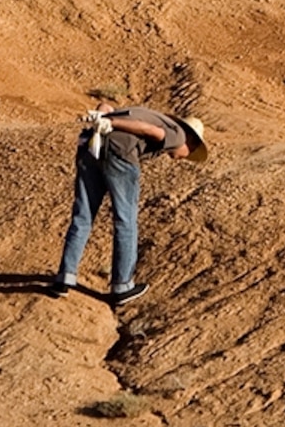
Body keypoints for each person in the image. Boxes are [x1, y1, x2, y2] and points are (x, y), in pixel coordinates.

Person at [56, 102, 206, 304]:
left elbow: (106, 105)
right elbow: (149, 130)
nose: (181, 159)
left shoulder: (143, 112)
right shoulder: (177, 134)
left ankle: (65, 278)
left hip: (91, 146)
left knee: (83, 216)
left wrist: (102, 118)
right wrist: (110, 122)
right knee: (125, 221)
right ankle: (122, 286)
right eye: (190, 153)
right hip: (119, 153)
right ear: (191, 141)